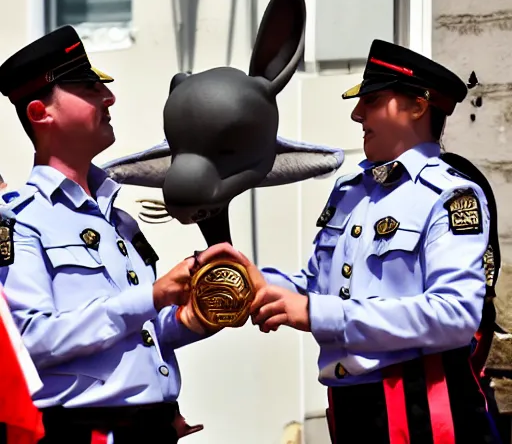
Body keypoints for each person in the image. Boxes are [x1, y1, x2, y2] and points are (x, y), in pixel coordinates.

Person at [231, 39, 501, 443]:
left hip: (421, 412)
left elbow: (455, 316)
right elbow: (315, 286)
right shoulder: (350, 189)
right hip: (351, 407)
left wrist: (319, 314)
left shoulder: (449, 194)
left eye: (372, 100)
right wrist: (248, 281)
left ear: (417, 105)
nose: (357, 114)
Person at [0, 25, 226, 444]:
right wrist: (153, 295)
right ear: (39, 113)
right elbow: (28, 342)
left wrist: (191, 317)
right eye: (88, 87)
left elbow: (140, 331)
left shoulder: (119, 221)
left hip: (150, 426)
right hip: (85, 433)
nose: (109, 97)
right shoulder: (18, 221)